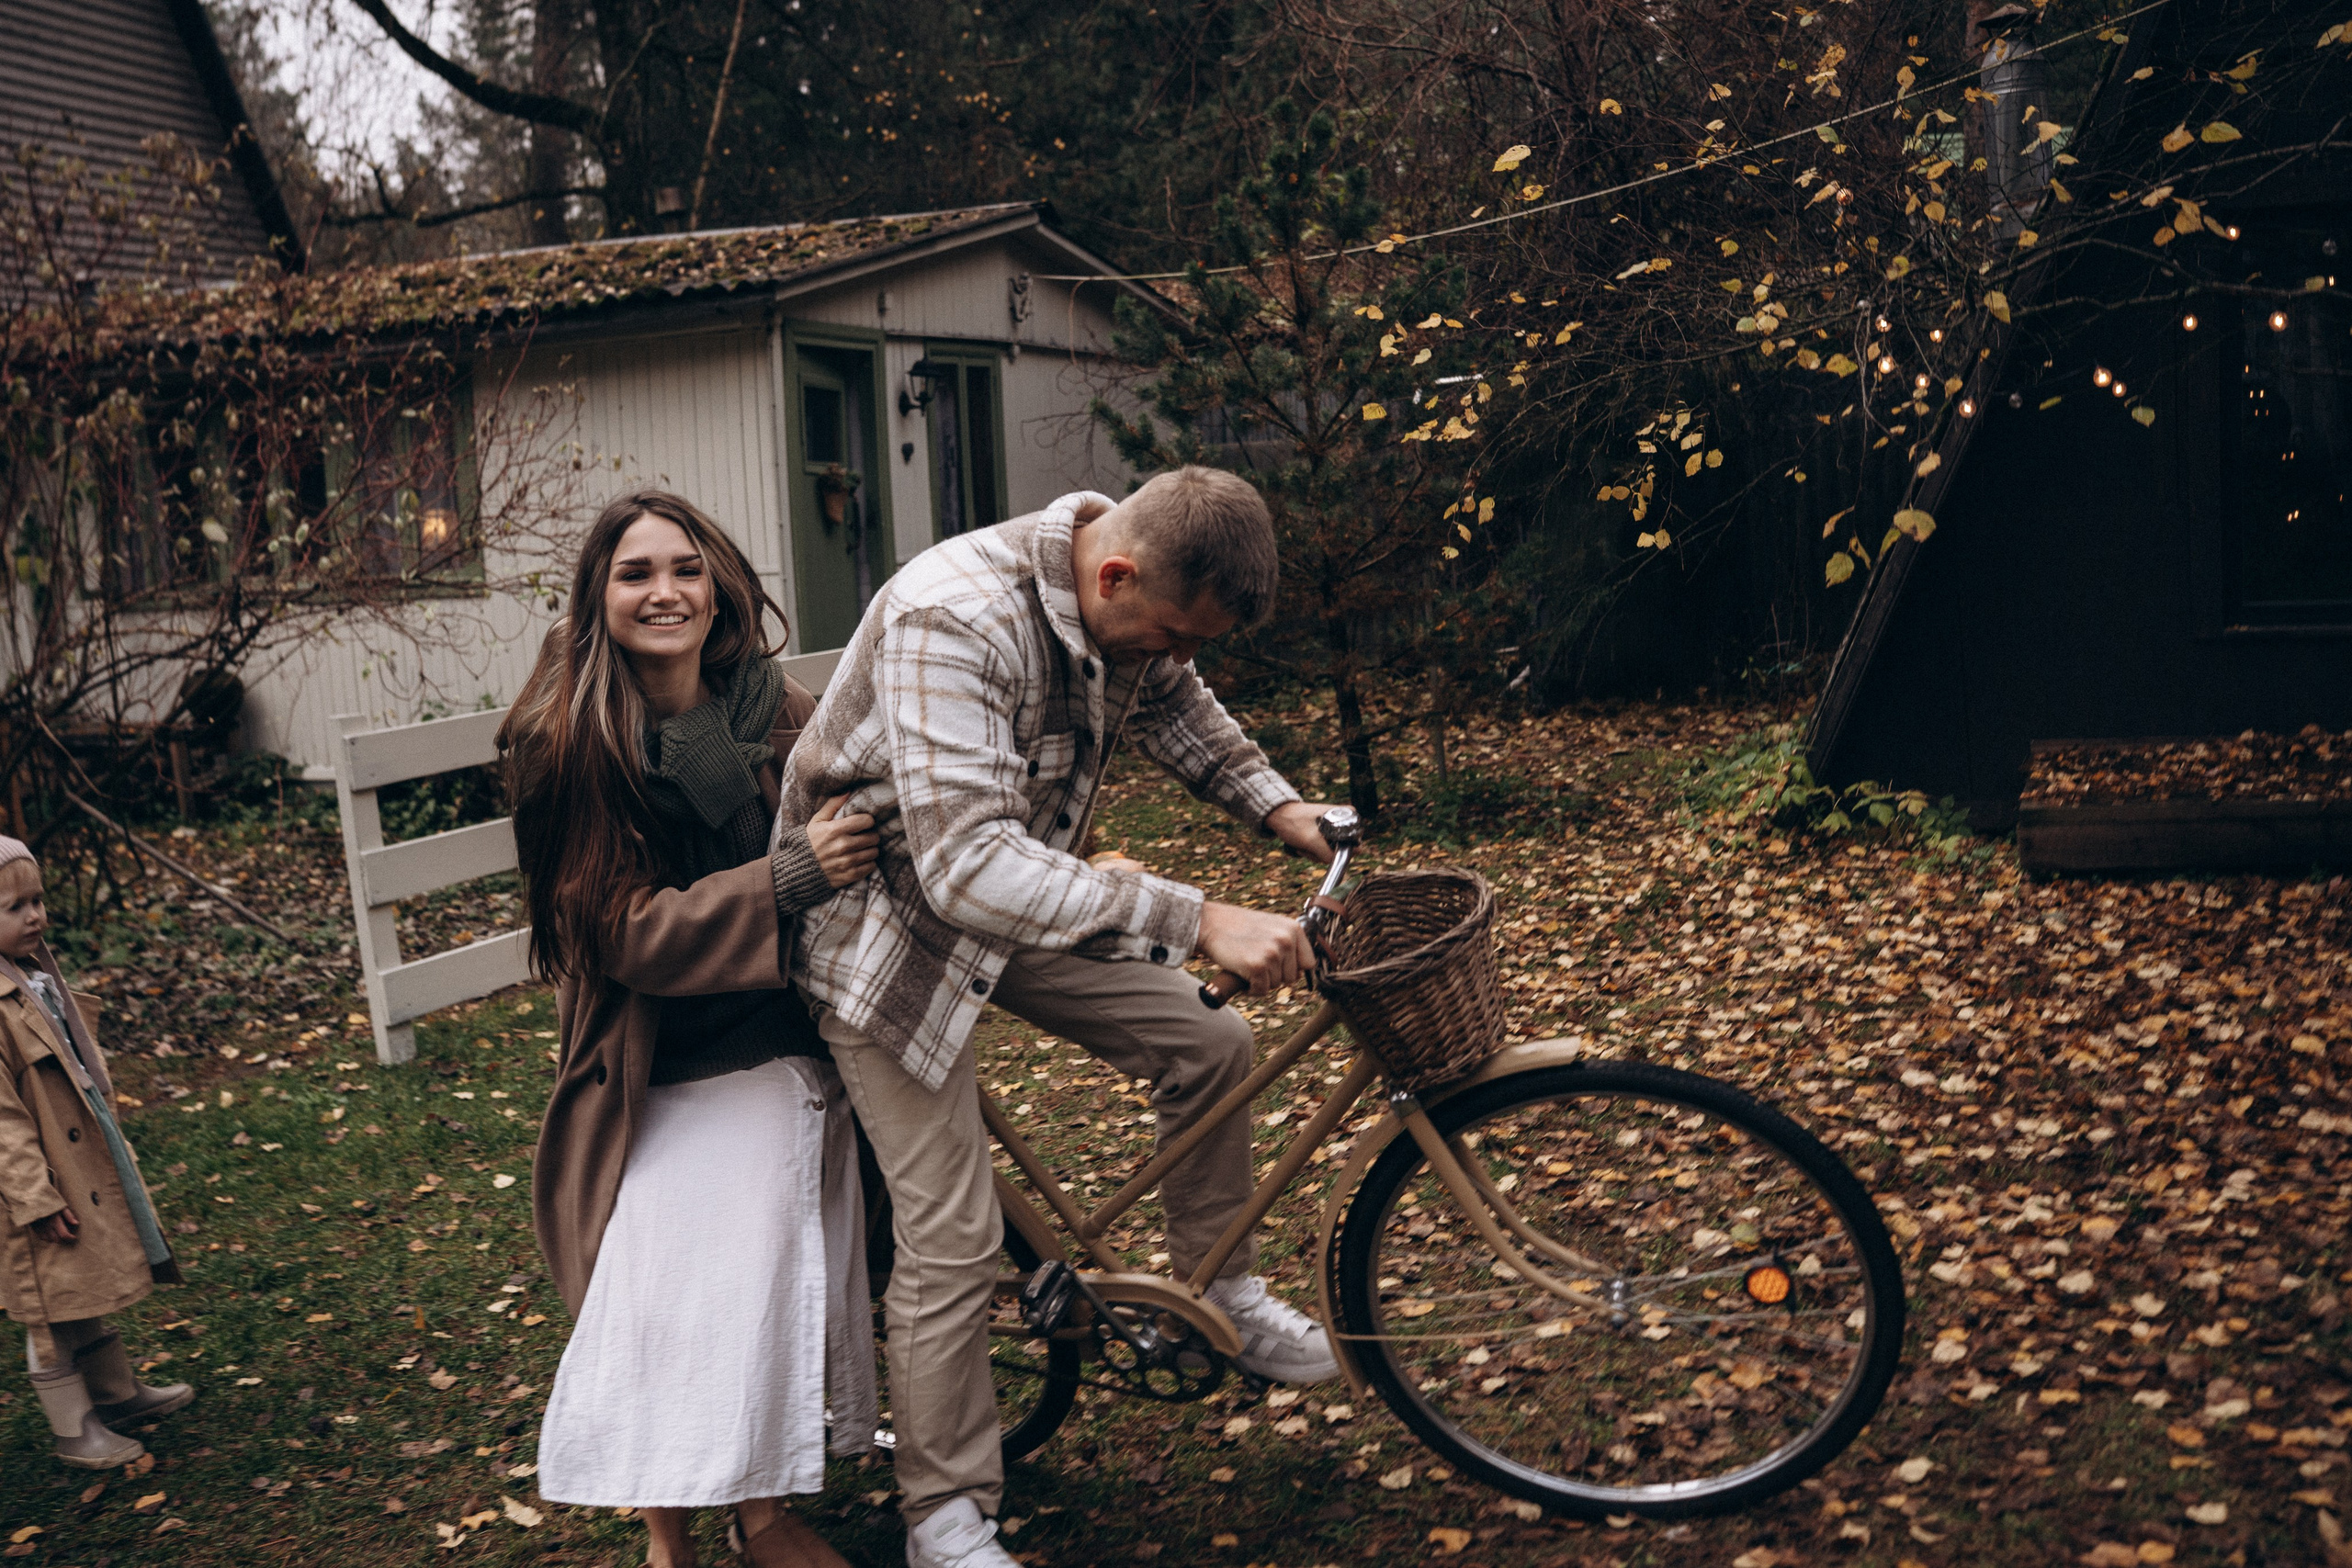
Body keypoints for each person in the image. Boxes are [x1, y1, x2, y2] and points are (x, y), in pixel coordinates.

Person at [779, 467, 1343, 1568]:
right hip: (888, 935)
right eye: (1173, 635)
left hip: (1012, 898)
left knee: (1210, 1041)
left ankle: (1220, 1289)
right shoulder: (954, 614)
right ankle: (944, 1516)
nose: (1175, 658)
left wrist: (1283, 809)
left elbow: (1176, 706)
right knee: (952, 1238)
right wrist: (1200, 918)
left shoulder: (1124, 607)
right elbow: (966, 868)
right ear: (1116, 576)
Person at [504, 490, 880, 1568]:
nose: (664, 592)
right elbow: (618, 932)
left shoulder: (771, 706)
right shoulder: (569, 744)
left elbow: (867, 784)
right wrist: (787, 877)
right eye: (635, 574)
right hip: (656, 1049)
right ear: (598, 596)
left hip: (784, 1020)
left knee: (758, 1227)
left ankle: (755, 1511)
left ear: (718, 587)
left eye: (684, 569)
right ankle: (684, 1530)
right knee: (674, 1259)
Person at [0, 835, 193, 1470]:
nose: (34, 915)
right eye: (14, 907)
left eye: (37, 900)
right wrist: (35, 1198)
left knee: (82, 1281)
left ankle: (114, 1393)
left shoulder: (30, 977)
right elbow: (1, 1122)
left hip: (70, 1159)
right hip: (28, 1188)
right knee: (47, 1304)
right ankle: (73, 1428)